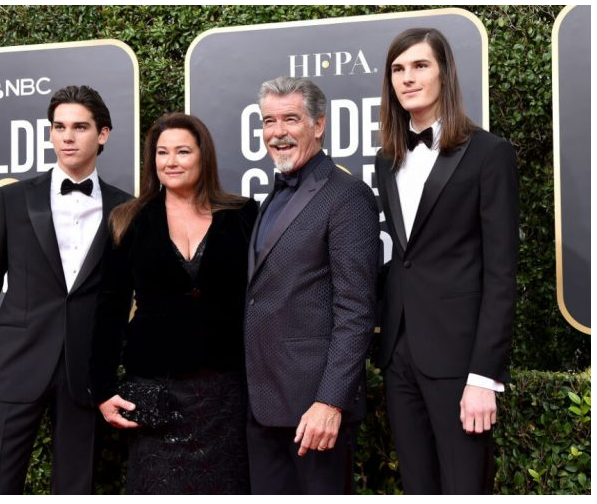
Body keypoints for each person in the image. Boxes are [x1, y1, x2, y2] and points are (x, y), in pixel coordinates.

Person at [0, 85, 131, 494]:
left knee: (75, 491)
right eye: (58, 127)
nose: (67, 137)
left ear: (102, 134)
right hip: (15, 366)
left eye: (80, 127)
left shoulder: (126, 208)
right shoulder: (11, 200)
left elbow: (124, 303)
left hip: (85, 375)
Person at [375, 28, 519, 494]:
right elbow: (406, 258)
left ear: (445, 74)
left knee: (464, 488)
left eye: (420, 66)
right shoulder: (386, 159)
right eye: (398, 69)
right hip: (399, 355)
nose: (407, 78)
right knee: (417, 487)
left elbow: (501, 273)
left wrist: (484, 377)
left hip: (459, 360)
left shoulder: (489, 153)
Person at [89, 112, 257, 494]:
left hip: (226, 392)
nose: (170, 161)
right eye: (162, 153)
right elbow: (110, 309)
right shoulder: (127, 219)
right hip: (155, 391)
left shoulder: (243, 215)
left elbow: (263, 300)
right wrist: (102, 388)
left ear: (203, 156)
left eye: (182, 151)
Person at [243, 76, 379, 494]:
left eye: (290, 119)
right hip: (262, 407)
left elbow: (356, 310)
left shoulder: (347, 195)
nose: (277, 132)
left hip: (314, 411)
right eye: (268, 121)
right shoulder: (270, 198)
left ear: (319, 125)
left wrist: (330, 401)